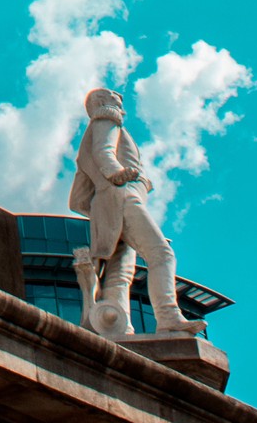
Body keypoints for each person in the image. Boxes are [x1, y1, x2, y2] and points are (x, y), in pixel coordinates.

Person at [68, 87, 193, 339]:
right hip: (123, 195)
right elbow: (104, 152)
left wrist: (101, 206)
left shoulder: (86, 141)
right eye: (113, 94)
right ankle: (168, 316)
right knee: (161, 254)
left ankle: (119, 327)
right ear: (101, 101)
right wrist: (115, 176)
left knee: (120, 273)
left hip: (108, 205)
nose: (120, 98)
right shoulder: (106, 117)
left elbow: (77, 200)